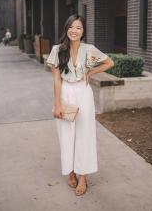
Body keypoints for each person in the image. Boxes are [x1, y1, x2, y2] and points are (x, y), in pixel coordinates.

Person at [47, 14, 114, 196]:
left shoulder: (89, 49)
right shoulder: (57, 50)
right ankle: (70, 171)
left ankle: (83, 176)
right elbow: (56, 80)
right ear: (66, 28)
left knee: (84, 135)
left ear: (83, 31)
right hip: (65, 92)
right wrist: (57, 104)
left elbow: (109, 62)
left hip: (84, 93)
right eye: (71, 26)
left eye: (78, 27)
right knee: (66, 135)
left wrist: (91, 72)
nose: (74, 30)